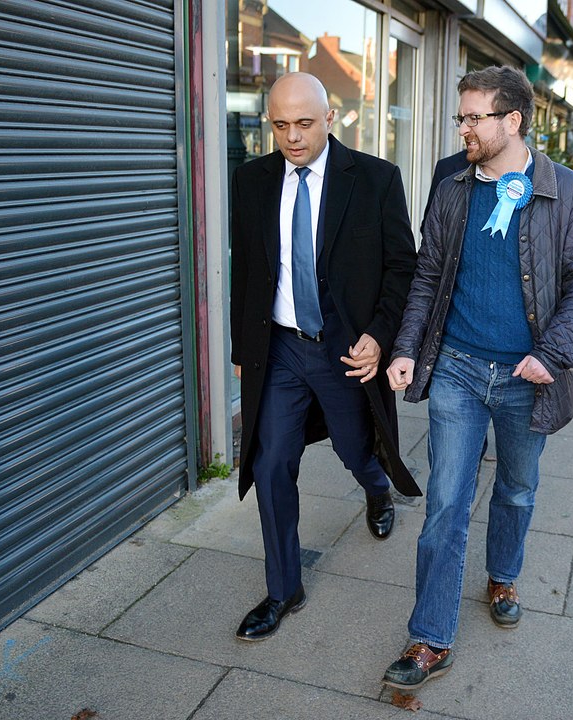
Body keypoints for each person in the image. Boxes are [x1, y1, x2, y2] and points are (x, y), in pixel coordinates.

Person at [380, 66, 573, 690]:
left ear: (513, 121)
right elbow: (429, 273)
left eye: (474, 116)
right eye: (461, 117)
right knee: (445, 506)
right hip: (454, 366)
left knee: (515, 488)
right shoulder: (451, 184)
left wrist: (553, 353)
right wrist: (406, 348)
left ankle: (503, 573)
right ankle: (431, 638)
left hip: (525, 377)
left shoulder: (563, 191)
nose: (464, 128)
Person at [229, 72, 420, 642]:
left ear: (331, 117)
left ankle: (376, 487)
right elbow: (249, 268)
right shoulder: (252, 180)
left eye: (304, 123)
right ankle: (284, 588)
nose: (291, 136)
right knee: (269, 463)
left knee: (356, 448)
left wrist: (380, 336)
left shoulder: (376, 179)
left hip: (344, 350)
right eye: (280, 125)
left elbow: (402, 269)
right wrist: (244, 348)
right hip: (282, 348)